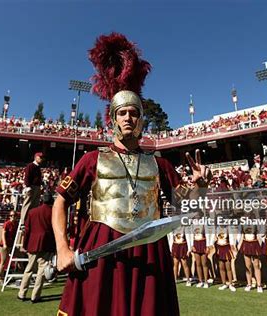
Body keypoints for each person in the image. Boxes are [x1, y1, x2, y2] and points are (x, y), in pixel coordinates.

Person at [52, 32, 209, 316]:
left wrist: (199, 187)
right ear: (113, 119)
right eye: (122, 113)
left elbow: (184, 205)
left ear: (141, 120)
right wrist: (63, 248)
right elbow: (60, 200)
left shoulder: (159, 164)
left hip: (148, 249)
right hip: (102, 247)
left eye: (133, 113)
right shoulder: (91, 160)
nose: (128, 117)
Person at [18, 193, 56, 303]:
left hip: (33, 244)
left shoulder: (32, 212)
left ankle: (22, 293)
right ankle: (35, 296)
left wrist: (25, 245)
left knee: (29, 269)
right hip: (47, 244)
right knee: (41, 271)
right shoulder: (53, 212)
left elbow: (27, 230)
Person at [238, 212, 263, 293]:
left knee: (256, 265)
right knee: (247, 266)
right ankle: (249, 284)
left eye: (248, 215)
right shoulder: (242, 224)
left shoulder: (255, 223)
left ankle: (259, 285)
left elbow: (260, 231)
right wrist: (236, 244)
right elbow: (239, 234)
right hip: (246, 244)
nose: (246, 216)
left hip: (254, 244)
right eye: (245, 215)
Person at [20, 152, 43, 221]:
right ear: (36, 157)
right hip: (31, 187)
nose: (41, 159)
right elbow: (27, 176)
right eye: (40, 157)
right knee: (27, 204)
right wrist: (28, 186)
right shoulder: (30, 166)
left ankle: (32, 220)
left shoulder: (38, 167)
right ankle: (23, 221)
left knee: (35, 204)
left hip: (37, 187)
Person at [0, 210, 18, 285]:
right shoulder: (7, 224)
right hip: (4, 245)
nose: (13, 217)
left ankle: (18, 274)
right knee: (3, 261)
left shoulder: (16, 224)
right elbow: (3, 234)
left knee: (19, 257)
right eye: (11, 216)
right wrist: (5, 244)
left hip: (12, 245)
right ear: (9, 216)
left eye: (15, 216)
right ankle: (0, 278)